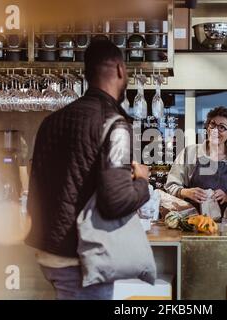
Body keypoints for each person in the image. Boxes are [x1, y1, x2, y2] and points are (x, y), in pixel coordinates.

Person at [25, 40, 150, 300]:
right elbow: (115, 202)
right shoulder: (115, 125)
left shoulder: (51, 121)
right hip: (82, 258)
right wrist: (141, 182)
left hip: (48, 252)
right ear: (119, 69)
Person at [165, 106, 227, 215]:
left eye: (222, 127)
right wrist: (187, 192)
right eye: (212, 124)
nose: (215, 130)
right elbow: (170, 186)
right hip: (192, 222)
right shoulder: (190, 152)